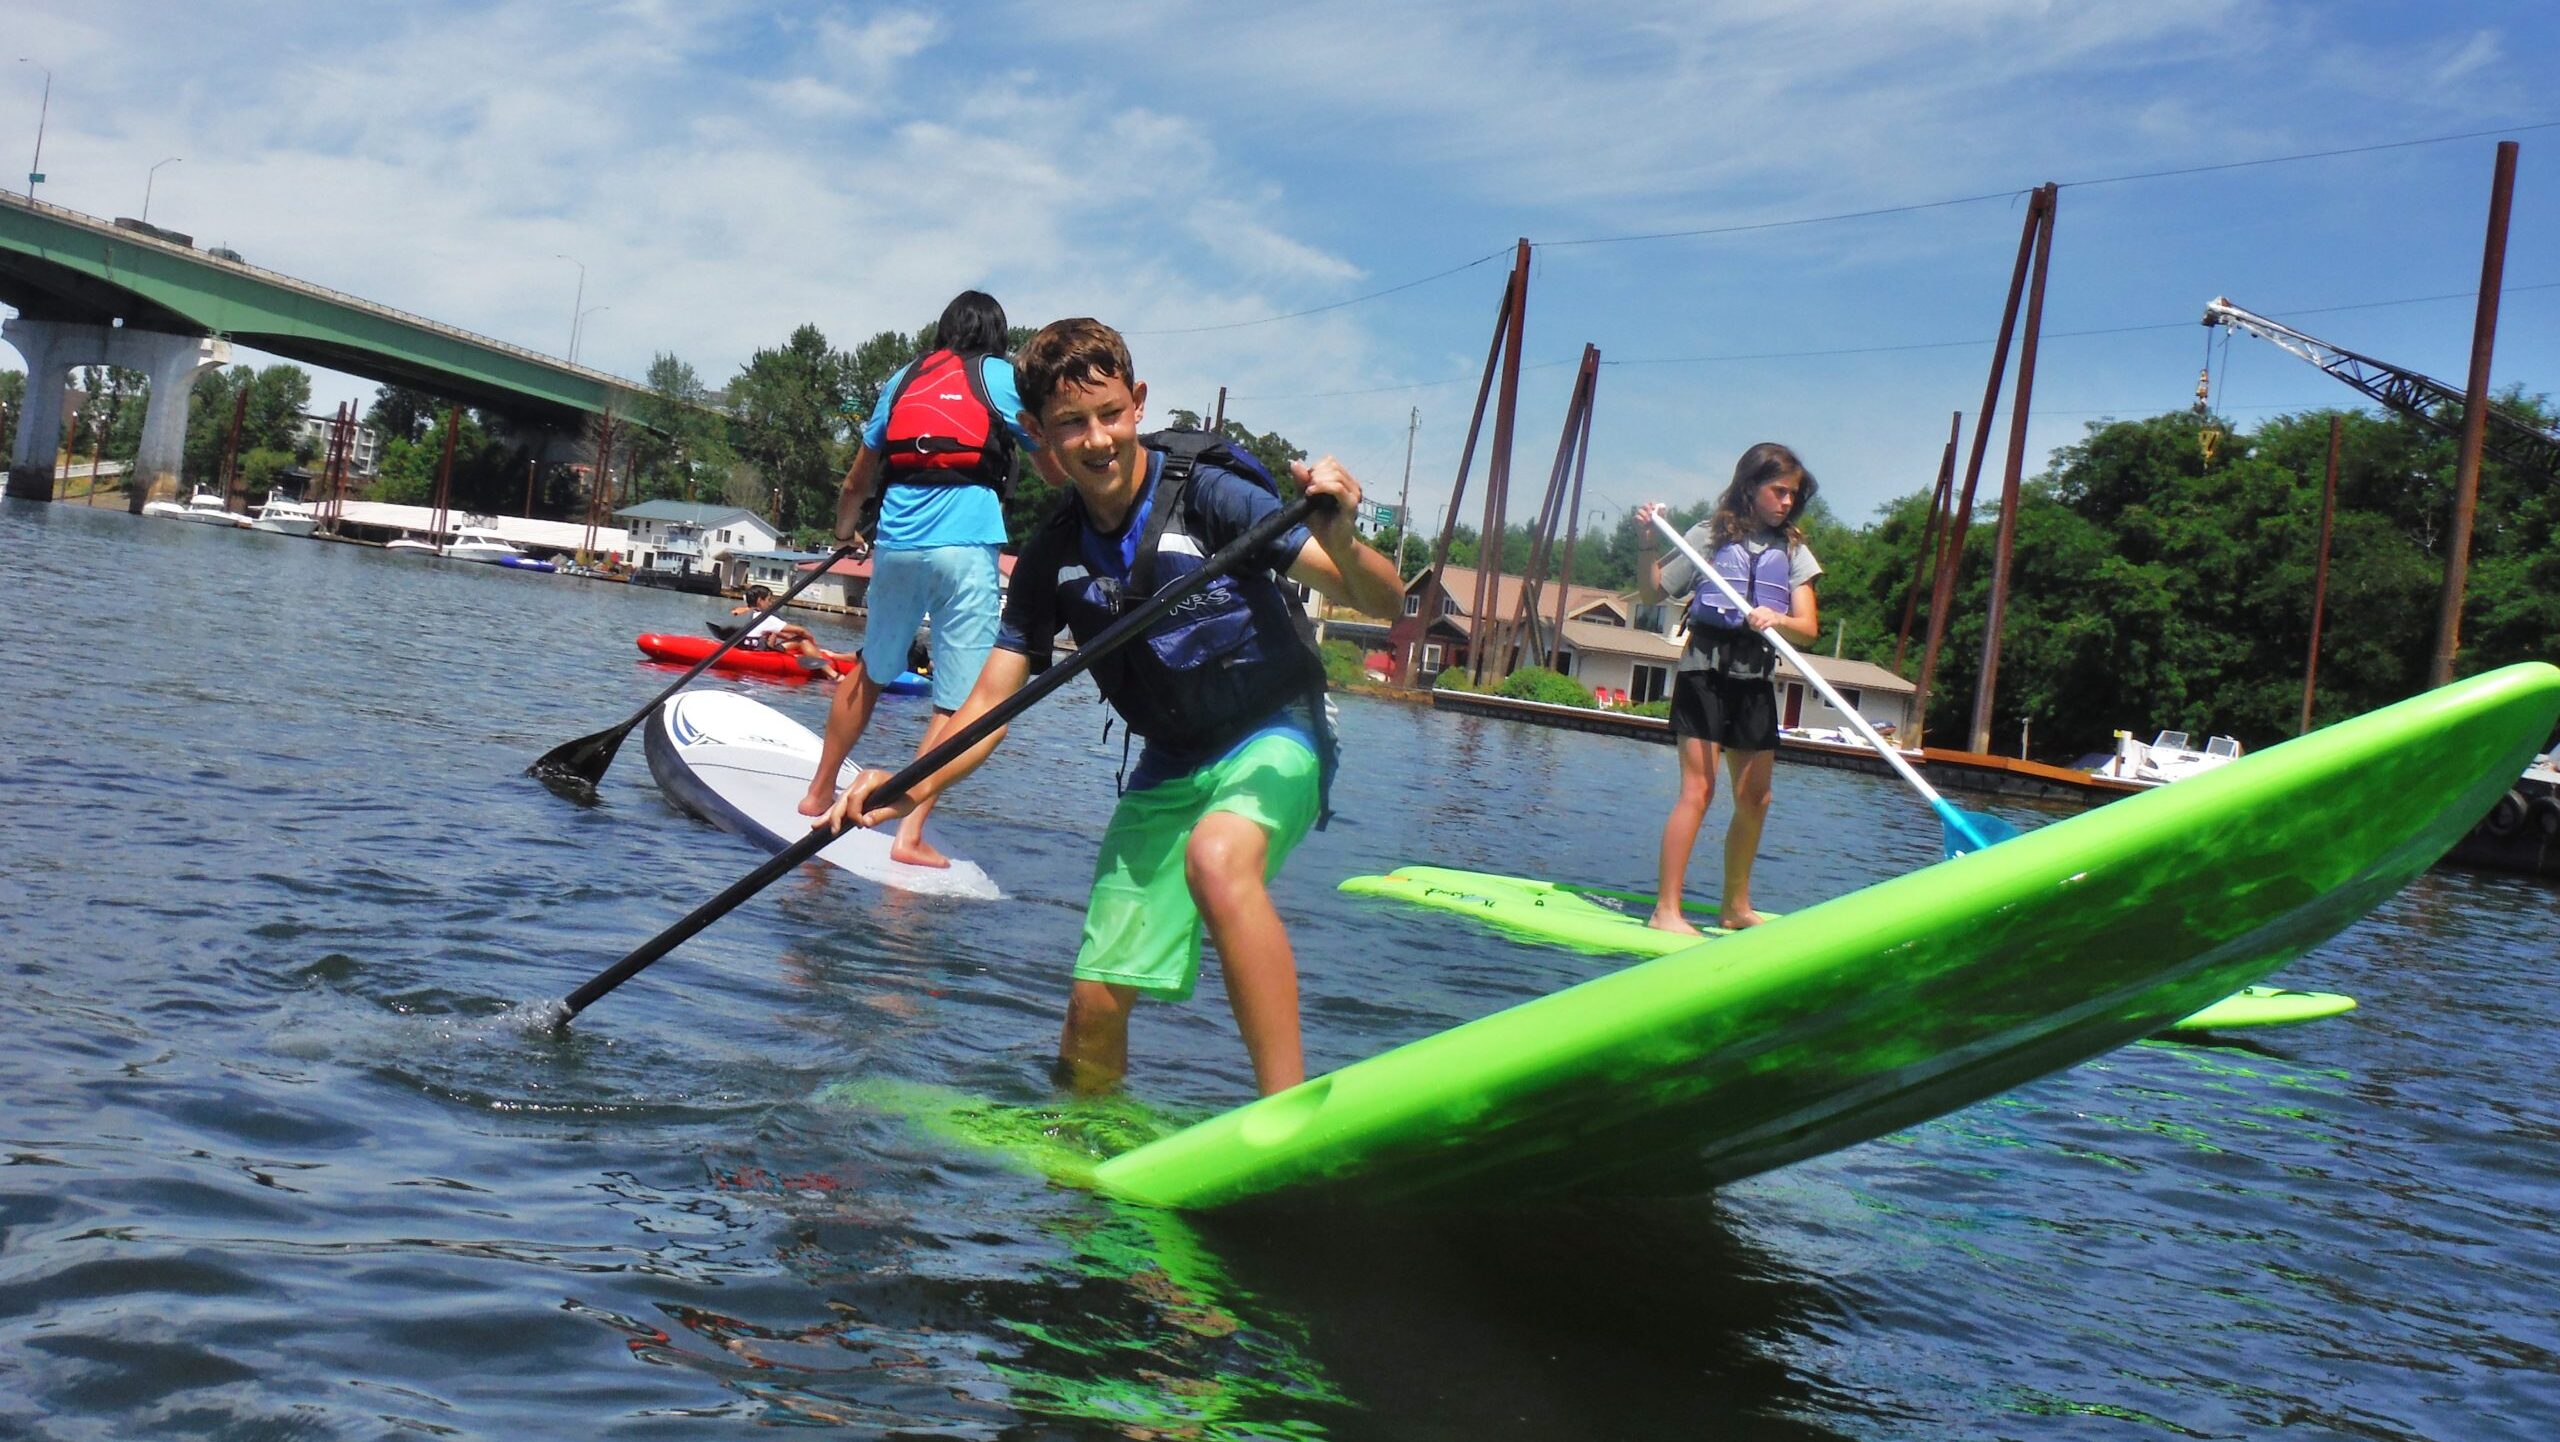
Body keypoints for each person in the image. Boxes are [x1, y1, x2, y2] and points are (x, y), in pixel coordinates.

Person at [825, 317, 1404, 1097]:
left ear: (1137, 403)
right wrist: (906, 785)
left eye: (1109, 415)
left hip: (1277, 731)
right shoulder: (1052, 552)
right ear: (1037, 435)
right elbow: (991, 701)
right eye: (1069, 424)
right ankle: (1093, 1158)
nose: (1096, 441)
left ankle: (1289, 1113)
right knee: (1093, 1006)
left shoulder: (1212, 496)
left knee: (1217, 857)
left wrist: (1342, 533)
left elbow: (1382, 601)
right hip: (1170, 763)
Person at [797, 291, 1035, 868]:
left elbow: (857, 479)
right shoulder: (1001, 377)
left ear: (943, 330)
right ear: (997, 336)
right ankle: (909, 834)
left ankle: (819, 790)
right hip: (967, 547)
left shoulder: (903, 378)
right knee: (960, 700)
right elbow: (1047, 450)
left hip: (897, 546)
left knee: (871, 670)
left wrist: (844, 533)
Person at [1636, 442, 1823, 934]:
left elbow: (1808, 626)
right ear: (1750, 486)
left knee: (1756, 797)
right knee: (1699, 789)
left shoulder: (1794, 549)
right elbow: (1654, 592)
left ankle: (1735, 907)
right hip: (1706, 670)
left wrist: (1777, 616)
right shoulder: (1709, 535)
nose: (1786, 502)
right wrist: (1647, 541)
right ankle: (1666, 912)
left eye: (1793, 495)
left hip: (1755, 674)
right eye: (1778, 491)